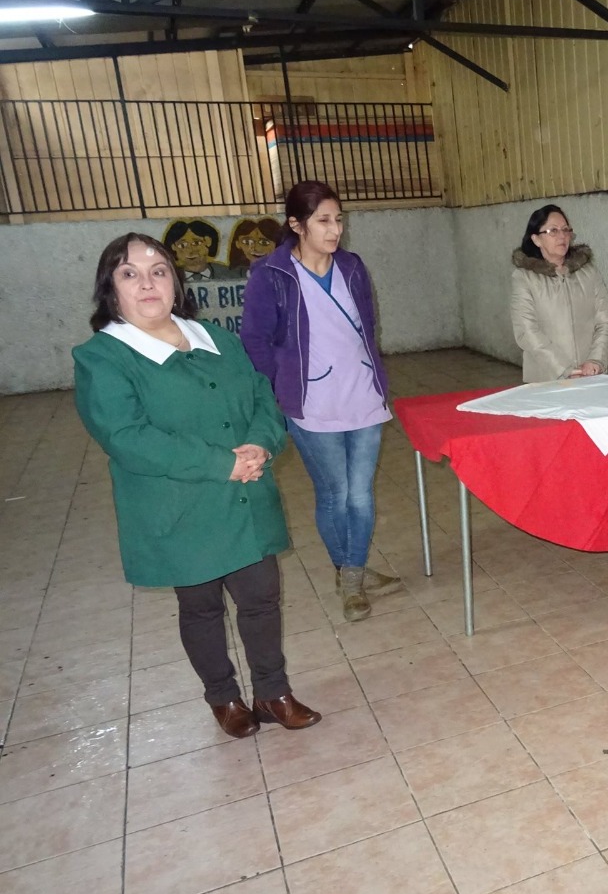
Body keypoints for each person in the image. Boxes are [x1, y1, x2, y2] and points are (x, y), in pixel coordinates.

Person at [73, 233, 320, 738]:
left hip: (244, 493)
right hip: (181, 505)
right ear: (110, 289)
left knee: (261, 597)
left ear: (176, 282)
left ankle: (272, 693)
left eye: (159, 271)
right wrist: (219, 464)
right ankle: (223, 698)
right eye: (129, 274)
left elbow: (262, 396)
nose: (147, 283)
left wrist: (262, 444)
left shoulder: (216, 339)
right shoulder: (103, 358)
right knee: (202, 606)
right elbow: (127, 437)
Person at [240, 181, 400, 622]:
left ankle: (352, 575)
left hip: (363, 394)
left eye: (339, 219)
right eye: (324, 221)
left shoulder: (351, 266)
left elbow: (367, 325)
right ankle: (349, 573)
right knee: (336, 493)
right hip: (311, 401)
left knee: (361, 495)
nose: (335, 230)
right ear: (296, 225)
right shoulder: (271, 274)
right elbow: (255, 340)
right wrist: (279, 390)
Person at [510, 205, 608, 382]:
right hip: (546, 378)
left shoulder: (589, 272)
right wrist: (563, 369)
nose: (562, 236)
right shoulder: (524, 278)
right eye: (553, 230)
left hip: (590, 375)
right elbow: (526, 331)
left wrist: (595, 360)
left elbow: (606, 321)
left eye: (565, 230)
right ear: (536, 239)